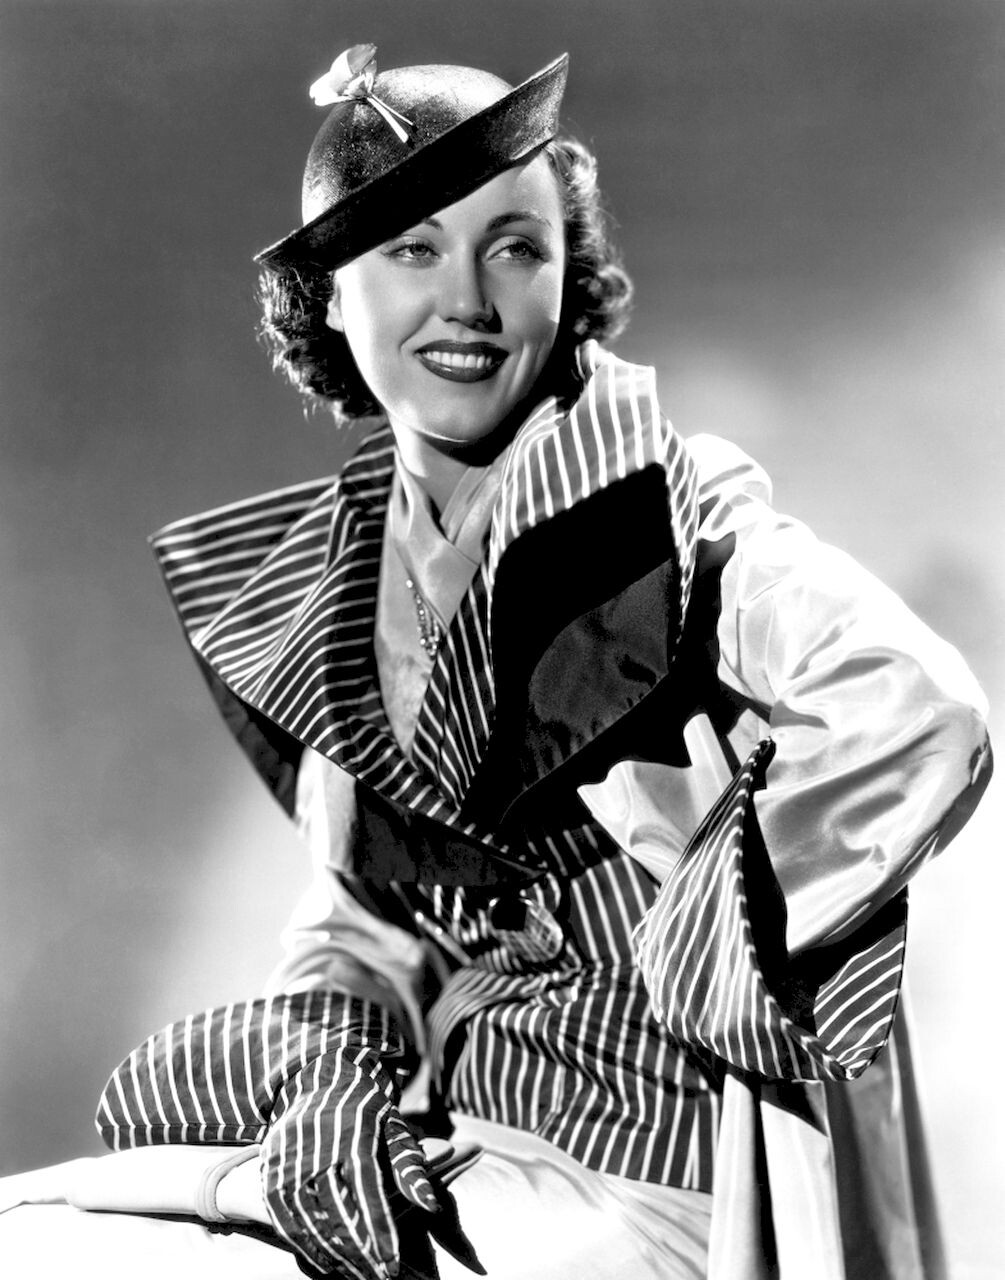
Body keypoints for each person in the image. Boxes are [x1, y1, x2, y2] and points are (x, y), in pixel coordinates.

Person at [0, 45, 991, 1280]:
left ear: (567, 274)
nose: (467, 298)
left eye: (515, 246)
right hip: (465, 1149)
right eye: (413, 249)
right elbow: (363, 923)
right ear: (331, 297)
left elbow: (920, 709)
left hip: (660, 1175)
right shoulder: (347, 583)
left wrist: (710, 921)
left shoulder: (668, 510)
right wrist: (329, 1077)